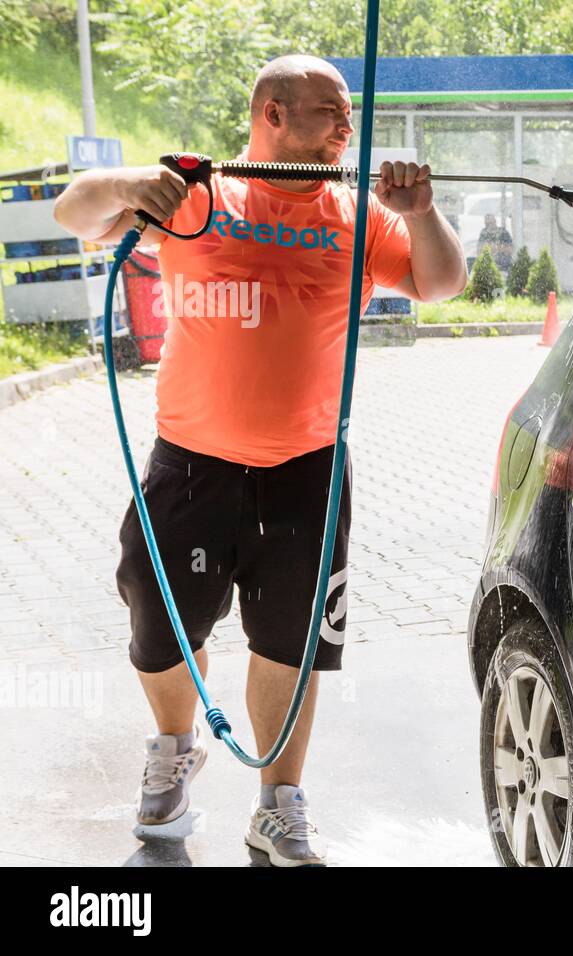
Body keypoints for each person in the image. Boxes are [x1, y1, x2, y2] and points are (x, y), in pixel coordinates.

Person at [52, 54, 467, 866]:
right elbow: (76, 211)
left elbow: (442, 283)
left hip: (306, 471)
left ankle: (279, 802)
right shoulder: (199, 192)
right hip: (192, 464)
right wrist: (133, 181)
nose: (349, 128)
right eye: (330, 112)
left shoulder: (358, 214)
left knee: (292, 642)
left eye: (349, 113)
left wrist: (419, 212)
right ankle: (175, 746)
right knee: (159, 624)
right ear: (272, 114)